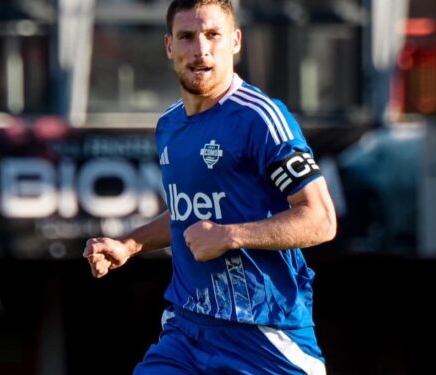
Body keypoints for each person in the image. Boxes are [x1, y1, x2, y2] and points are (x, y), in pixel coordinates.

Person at [82, 0, 337, 373]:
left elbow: (321, 219)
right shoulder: (169, 125)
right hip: (187, 331)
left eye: (212, 35)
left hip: (264, 336)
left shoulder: (261, 118)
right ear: (169, 46)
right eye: (186, 37)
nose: (200, 50)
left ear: (234, 41)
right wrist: (129, 244)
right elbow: (189, 212)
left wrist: (230, 235)